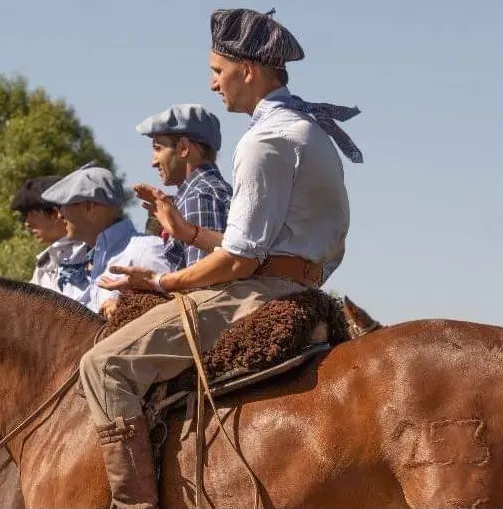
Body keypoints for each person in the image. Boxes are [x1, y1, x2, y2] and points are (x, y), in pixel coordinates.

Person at [79, 8, 361, 508]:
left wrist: (162, 284)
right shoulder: (302, 127)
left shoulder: (265, 140)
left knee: (102, 365)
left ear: (247, 70)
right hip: (297, 283)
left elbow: (240, 262)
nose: (212, 84)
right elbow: (266, 243)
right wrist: (188, 234)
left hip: (256, 292)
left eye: (216, 70)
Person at [40, 164, 174, 315]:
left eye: (64, 206)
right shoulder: (98, 260)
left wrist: (128, 308)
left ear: (90, 207)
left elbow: (176, 309)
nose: (60, 215)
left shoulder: (145, 250)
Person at [135, 104, 233, 269]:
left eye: (158, 149)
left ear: (184, 148)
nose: (153, 162)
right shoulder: (207, 191)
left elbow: (204, 286)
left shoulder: (199, 196)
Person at [10, 175, 91, 299]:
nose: (27, 223)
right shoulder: (45, 262)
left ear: (54, 213)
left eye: (30, 214)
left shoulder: (91, 252)